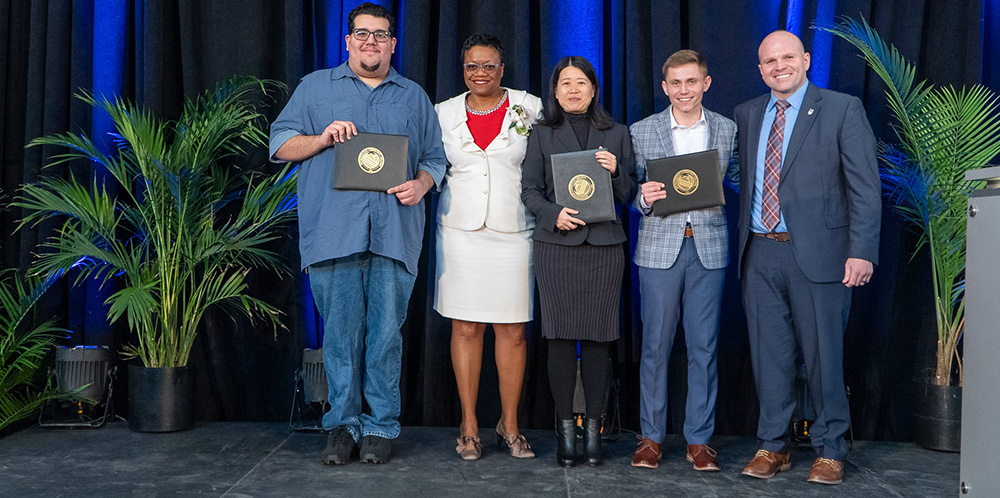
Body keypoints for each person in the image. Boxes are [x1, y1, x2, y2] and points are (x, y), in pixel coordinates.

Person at [268, 2, 447, 465]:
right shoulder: (314, 88)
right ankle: (342, 426)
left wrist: (422, 183)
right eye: (362, 34)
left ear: (392, 42)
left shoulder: (413, 96)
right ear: (347, 41)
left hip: (394, 232)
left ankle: (381, 427)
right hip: (333, 232)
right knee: (340, 339)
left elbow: (435, 158)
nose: (371, 41)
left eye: (381, 34)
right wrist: (323, 138)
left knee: (386, 337)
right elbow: (281, 143)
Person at [734, 30, 880, 485]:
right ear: (760, 69)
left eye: (787, 57)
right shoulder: (747, 113)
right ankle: (773, 445)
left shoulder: (841, 109)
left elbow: (865, 187)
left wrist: (861, 252)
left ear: (806, 60)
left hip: (822, 256)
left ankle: (831, 448)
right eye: (769, 61)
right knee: (769, 357)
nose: (779, 66)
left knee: (824, 358)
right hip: (759, 252)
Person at [520, 55, 637, 468]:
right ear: (555, 91)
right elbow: (530, 191)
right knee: (560, 339)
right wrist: (554, 214)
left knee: (600, 339)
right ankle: (566, 433)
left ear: (593, 89)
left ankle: (594, 437)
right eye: (565, 83)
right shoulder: (541, 134)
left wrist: (616, 170)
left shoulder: (618, 133)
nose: (573, 89)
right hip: (557, 247)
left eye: (581, 83)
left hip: (605, 248)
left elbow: (630, 194)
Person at [433, 33, 543, 461]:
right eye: (471, 67)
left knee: (513, 331)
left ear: (502, 68)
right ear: (463, 71)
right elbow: (427, 162)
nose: (480, 73)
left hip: (514, 231)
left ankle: (509, 423)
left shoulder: (529, 106)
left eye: (489, 66)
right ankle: (469, 424)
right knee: (466, 328)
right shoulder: (442, 113)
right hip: (460, 231)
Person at [628, 49, 738, 472]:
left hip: (709, 248)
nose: (684, 90)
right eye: (676, 83)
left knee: (704, 347)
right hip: (659, 249)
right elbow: (632, 192)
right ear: (664, 87)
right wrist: (644, 198)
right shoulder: (642, 131)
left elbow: (743, 179)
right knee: (654, 345)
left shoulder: (728, 130)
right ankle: (650, 438)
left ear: (705, 84)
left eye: (691, 82)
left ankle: (699, 440)